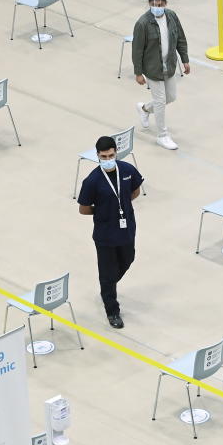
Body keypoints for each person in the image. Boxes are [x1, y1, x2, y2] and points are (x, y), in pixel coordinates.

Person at [77, 136, 144, 329]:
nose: (108, 159)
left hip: (126, 228)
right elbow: (83, 208)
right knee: (107, 274)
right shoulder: (92, 180)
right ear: (97, 156)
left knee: (128, 259)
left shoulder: (127, 170)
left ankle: (107, 288)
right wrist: (103, 211)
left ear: (116, 153)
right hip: (105, 234)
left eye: (111, 155)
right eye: (104, 156)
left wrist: (121, 206)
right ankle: (112, 310)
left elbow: (135, 191)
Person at [131, 0, 189, 151]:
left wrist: (185, 60)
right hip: (152, 69)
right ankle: (162, 136)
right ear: (149, 3)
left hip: (169, 65)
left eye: (160, 3)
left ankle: (144, 109)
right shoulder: (142, 23)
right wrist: (138, 72)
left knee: (170, 97)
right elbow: (137, 50)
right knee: (160, 102)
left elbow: (181, 38)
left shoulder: (171, 16)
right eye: (154, 3)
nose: (157, 5)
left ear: (165, 3)